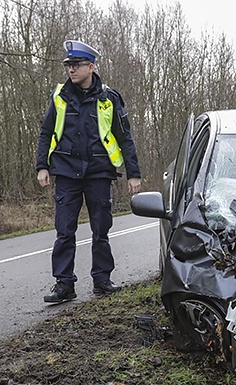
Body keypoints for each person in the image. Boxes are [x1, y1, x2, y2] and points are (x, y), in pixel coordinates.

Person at [35, 39, 142, 304]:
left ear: (91, 66)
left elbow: (124, 136)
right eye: (68, 65)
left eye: (76, 65)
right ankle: (64, 284)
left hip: (98, 172)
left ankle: (102, 279)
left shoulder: (109, 98)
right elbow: (46, 132)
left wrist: (133, 173)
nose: (71, 70)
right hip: (67, 173)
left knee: (101, 230)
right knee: (64, 231)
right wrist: (42, 166)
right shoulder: (59, 97)